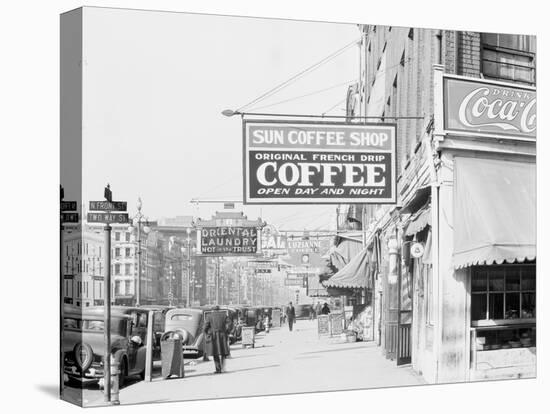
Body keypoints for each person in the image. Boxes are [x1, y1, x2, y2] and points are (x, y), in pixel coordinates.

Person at [203, 306, 231, 374]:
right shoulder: (224, 315)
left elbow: (205, 326)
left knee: (215, 353)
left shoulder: (209, 316)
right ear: (219, 310)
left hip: (214, 336)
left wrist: (206, 332)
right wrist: (227, 331)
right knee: (223, 352)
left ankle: (218, 369)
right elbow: (230, 323)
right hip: (223, 335)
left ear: (212, 310)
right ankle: (223, 368)